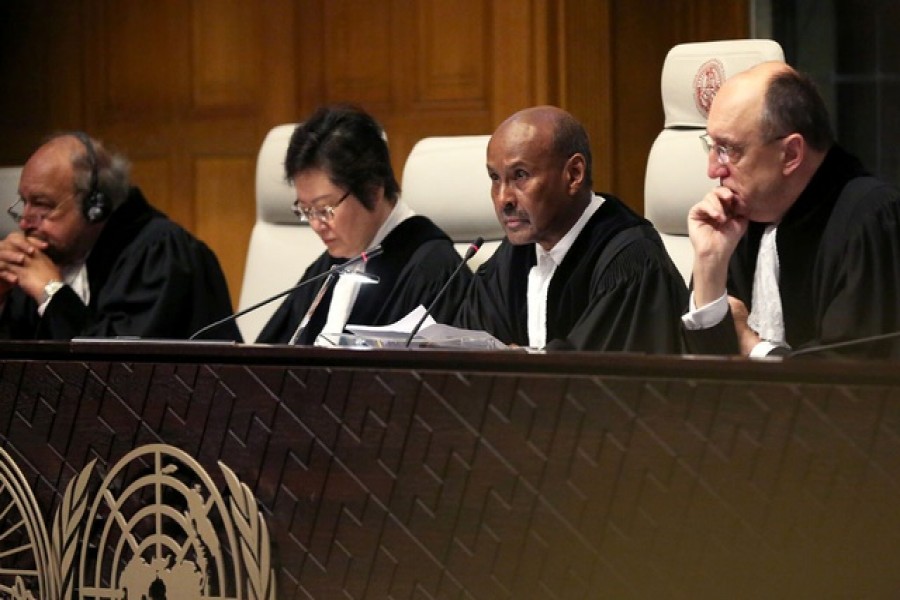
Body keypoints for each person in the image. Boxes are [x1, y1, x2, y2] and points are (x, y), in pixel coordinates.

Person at [683, 61, 900, 358]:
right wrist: (709, 265)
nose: (712, 170)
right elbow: (698, 380)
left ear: (791, 154)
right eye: (711, 146)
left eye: (729, 149)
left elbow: (854, 377)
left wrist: (753, 348)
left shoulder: (869, 219)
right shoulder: (740, 216)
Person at [454, 106, 688, 352]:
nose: (504, 198)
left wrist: (521, 363)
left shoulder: (631, 261)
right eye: (495, 178)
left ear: (574, 174)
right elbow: (468, 354)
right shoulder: (512, 257)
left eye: (520, 175)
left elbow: (598, 377)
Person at [255, 104, 471, 345]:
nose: (316, 224)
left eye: (325, 209)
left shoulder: (433, 269)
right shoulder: (324, 270)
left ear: (372, 189)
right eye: (306, 210)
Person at [0, 132, 240, 340]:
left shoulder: (159, 253)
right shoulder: (46, 255)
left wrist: (51, 293)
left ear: (96, 207)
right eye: (24, 203)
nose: (24, 222)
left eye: (42, 205)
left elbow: (118, 375)